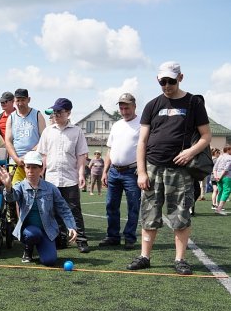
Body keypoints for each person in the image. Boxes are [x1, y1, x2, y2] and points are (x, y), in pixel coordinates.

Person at [127, 61, 211, 275]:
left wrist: (190, 152)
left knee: (180, 215)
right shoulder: (152, 105)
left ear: (180, 78)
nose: (166, 85)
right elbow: (142, 141)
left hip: (180, 170)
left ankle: (180, 259)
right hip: (153, 167)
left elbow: (206, 136)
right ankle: (145, 257)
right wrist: (142, 171)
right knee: (149, 214)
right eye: (162, 81)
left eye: (170, 81)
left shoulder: (193, 103)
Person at [0, 151, 77, 266]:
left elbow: (63, 208)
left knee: (49, 261)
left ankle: (42, 246)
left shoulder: (51, 188)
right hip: (29, 231)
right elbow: (11, 198)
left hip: (48, 231)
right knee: (33, 234)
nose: (30, 171)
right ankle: (28, 250)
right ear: (24, 169)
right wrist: (8, 187)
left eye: (34, 167)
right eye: (28, 167)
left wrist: (71, 226)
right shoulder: (19, 186)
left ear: (41, 168)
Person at [37, 98, 90, 253]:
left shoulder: (77, 131)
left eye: (60, 111)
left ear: (68, 113)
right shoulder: (48, 131)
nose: (57, 114)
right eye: (55, 111)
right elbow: (43, 155)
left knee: (74, 210)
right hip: (52, 178)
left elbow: (81, 155)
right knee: (53, 211)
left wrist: (81, 174)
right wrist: (41, 172)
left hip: (70, 177)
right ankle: (60, 239)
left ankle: (81, 241)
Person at [99, 93, 141, 250]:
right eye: (121, 108)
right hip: (114, 172)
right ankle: (113, 236)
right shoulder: (116, 125)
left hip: (132, 172)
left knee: (133, 206)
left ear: (134, 106)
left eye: (127, 107)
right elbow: (110, 150)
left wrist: (142, 169)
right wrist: (105, 171)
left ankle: (130, 237)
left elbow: (146, 149)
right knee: (111, 205)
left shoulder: (142, 124)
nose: (124, 111)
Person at [4, 88, 46, 184]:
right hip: (16, 162)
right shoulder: (11, 117)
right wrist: (16, 158)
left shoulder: (37, 115)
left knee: (34, 191)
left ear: (28, 100)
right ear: (14, 101)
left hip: (34, 161)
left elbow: (44, 140)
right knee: (16, 192)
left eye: (23, 100)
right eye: (17, 100)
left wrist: (28, 156)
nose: (20, 103)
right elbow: (8, 141)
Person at [213, 144, 231, 215]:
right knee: (226, 191)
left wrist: (216, 176)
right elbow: (226, 169)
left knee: (220, 191)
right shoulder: (229, 157)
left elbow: (215, 168)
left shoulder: (220, 157)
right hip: (227, 177)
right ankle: (219, 209)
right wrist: (220, 177)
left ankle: (217, 208)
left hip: (218, 176)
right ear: (228, 150)